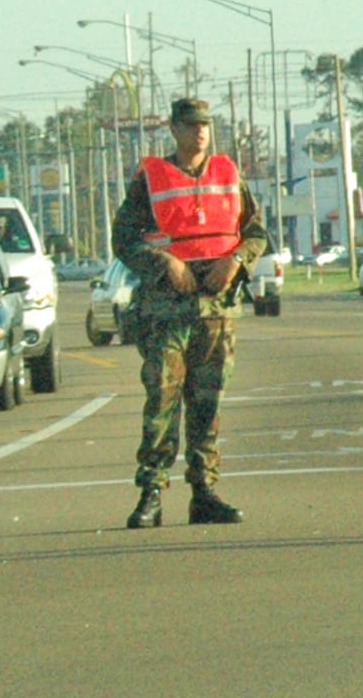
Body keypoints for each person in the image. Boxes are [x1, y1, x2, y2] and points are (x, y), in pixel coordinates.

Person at [113, 96, 267, 529]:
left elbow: (255, 233)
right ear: (175, 129)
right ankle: (151, 492)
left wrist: (236, 261)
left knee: (207, 403)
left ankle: (204, 491)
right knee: (162, 400)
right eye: (191, 125)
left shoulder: (228, 175)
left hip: (216, 311)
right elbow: (124, 239)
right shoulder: (151, 179)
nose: (200, 132)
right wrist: (165, 263)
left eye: (205, 125)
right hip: (167, 311)